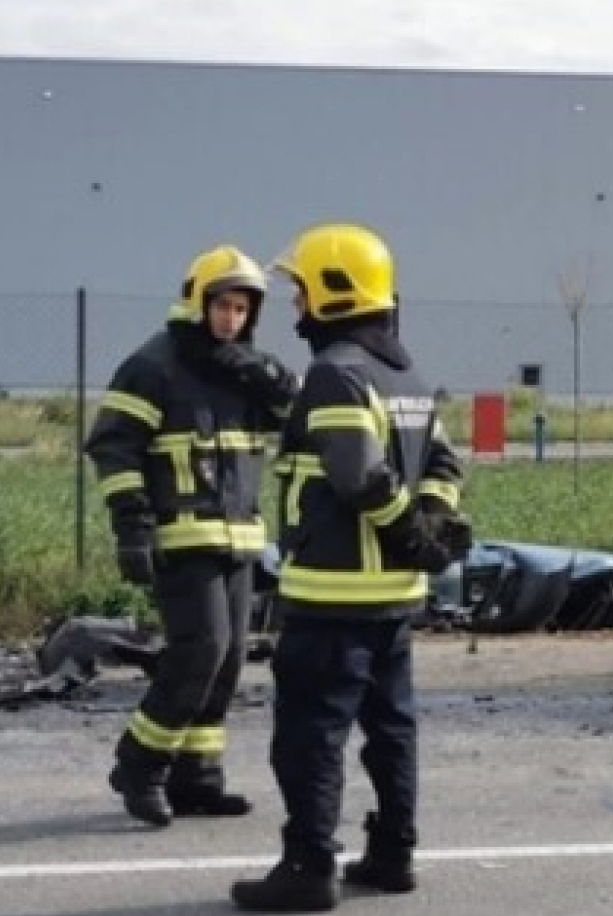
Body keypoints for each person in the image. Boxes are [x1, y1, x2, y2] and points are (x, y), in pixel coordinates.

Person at [232, 223, 470, 912]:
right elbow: (444, 466)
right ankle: (393, 856)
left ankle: (308, 868)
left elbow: (358, 475)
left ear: (333, 291)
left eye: (301, 289)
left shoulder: (337, 373)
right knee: (391, 731)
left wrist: (408, 533)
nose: (295, 304)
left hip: (332, 594)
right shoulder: (406, 376)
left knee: (310, 736)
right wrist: (427, 528)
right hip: (394, 598)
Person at [85, 246, 298, 827]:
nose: (232, 319)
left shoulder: (243, 369)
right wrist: (133, 527)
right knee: (200, 650)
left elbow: (297, 414)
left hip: (239, 539)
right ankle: (139, 765)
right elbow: (113, 446)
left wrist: (267, 375)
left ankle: (197, 777)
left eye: (242, 309)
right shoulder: (153, 366)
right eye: (223, 306)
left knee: (228, 659)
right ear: (198, 302)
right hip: (181, 539)